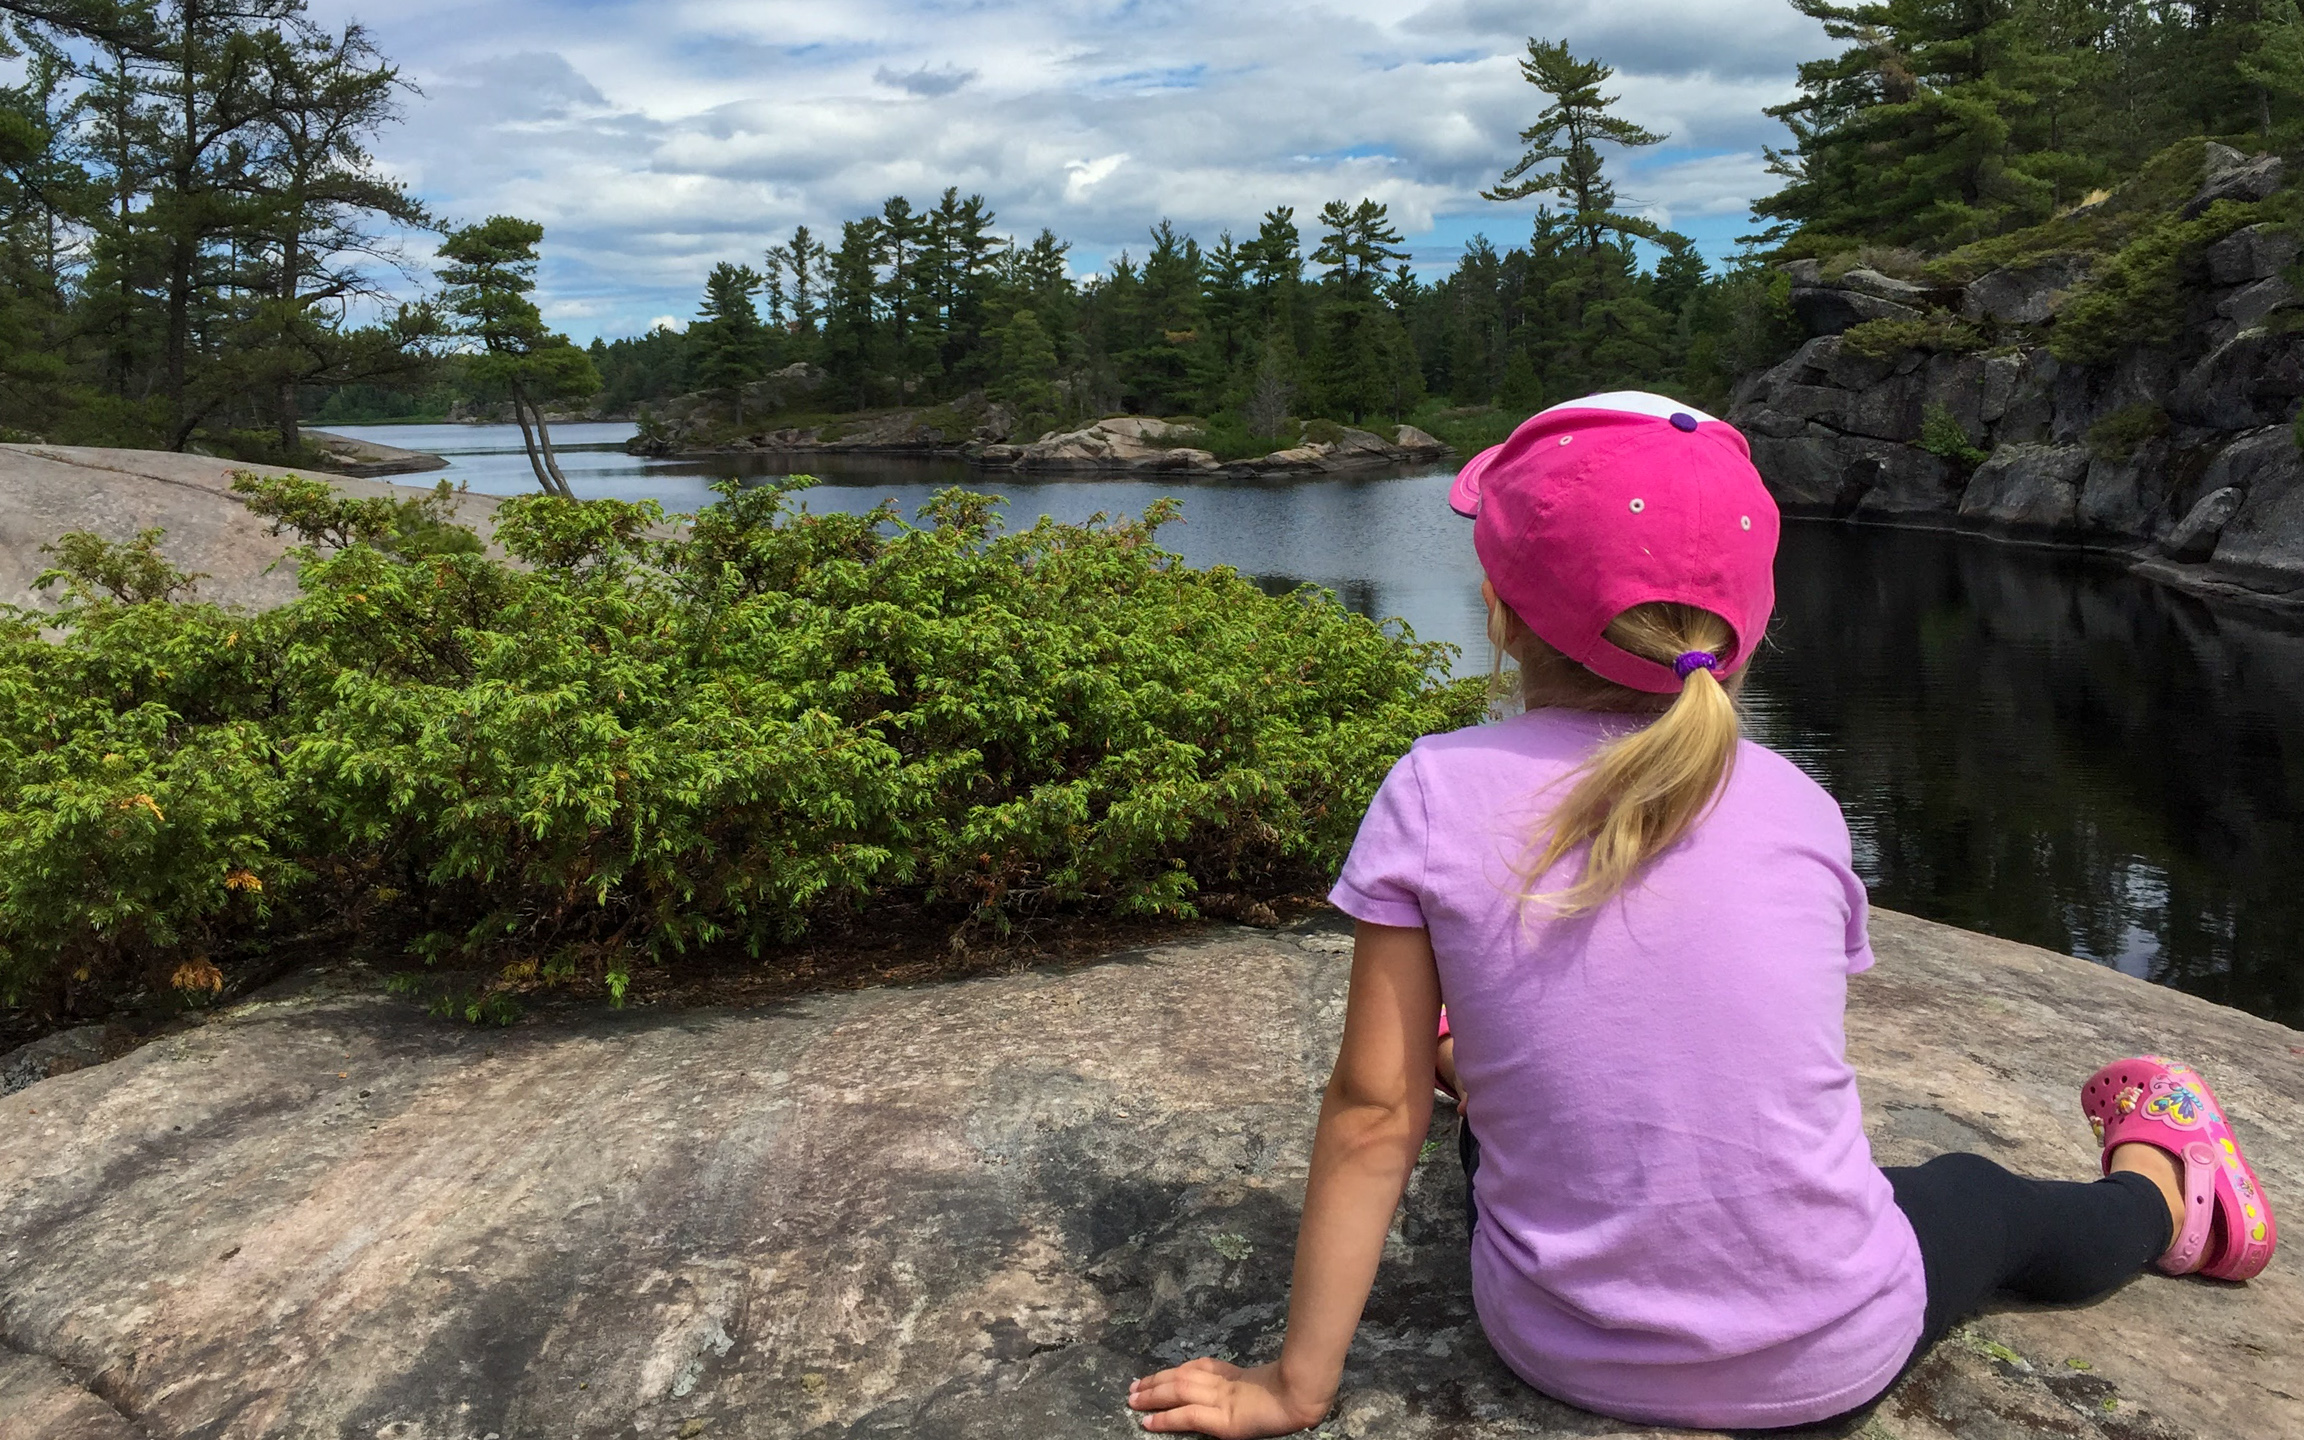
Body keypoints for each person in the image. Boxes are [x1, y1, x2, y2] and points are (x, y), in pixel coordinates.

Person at [1124, 392, 2279, 1436]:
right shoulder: (1801, 806)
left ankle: (1482, 1068)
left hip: (1564, 1355)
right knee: (1975, 1197)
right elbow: (1728, 1038)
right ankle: (2166, 1199)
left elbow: (1376, 1115)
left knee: (1489, 1125)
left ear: (1501, 612)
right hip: (1831, 1357)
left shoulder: (1433, 788)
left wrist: (1295, 1387)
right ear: (1745, 626)